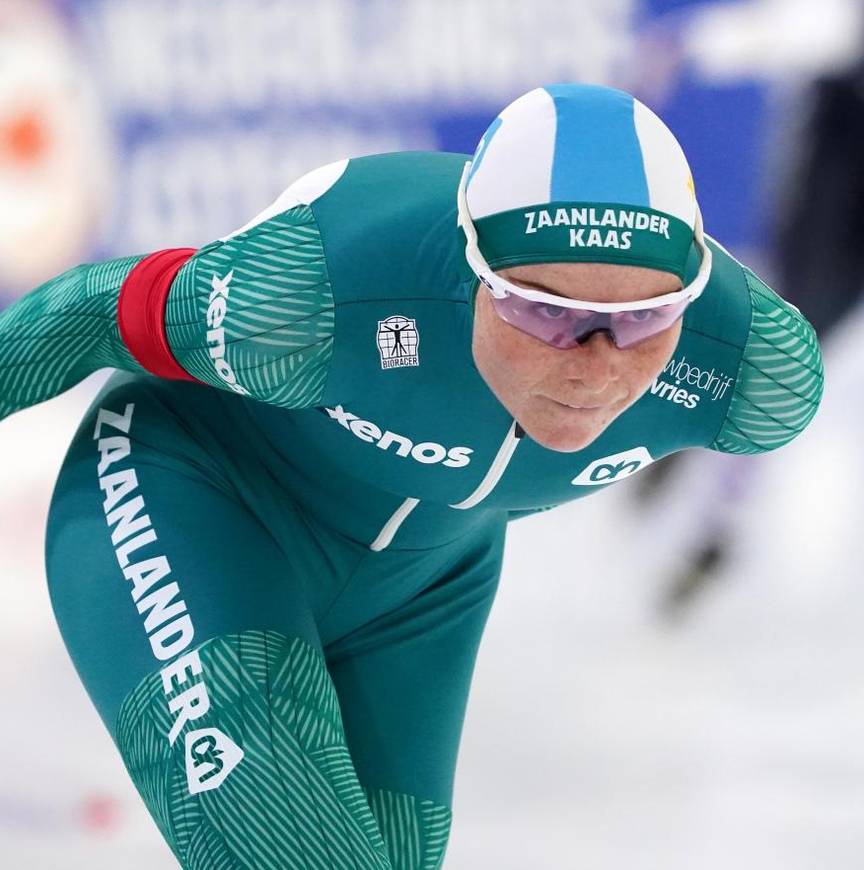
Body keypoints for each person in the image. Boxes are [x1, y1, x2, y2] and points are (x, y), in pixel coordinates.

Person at [0, 83, 823, 869]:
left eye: (644, 319)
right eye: (546, 312)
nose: (596, 368)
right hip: (197, 499)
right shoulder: (311, 297)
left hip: (423, 591)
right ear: (472, 271)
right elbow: (80, 315)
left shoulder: (753, 374)